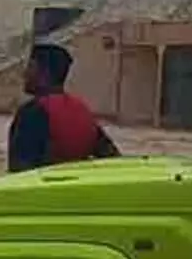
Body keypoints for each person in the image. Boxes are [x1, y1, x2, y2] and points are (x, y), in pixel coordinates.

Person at [7, 43, 119, 173]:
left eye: (31, 67)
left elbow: (19, 170)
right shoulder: (81, 110)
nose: (24, 74)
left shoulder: (31, 112)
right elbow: (112, 159)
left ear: (45, 74)